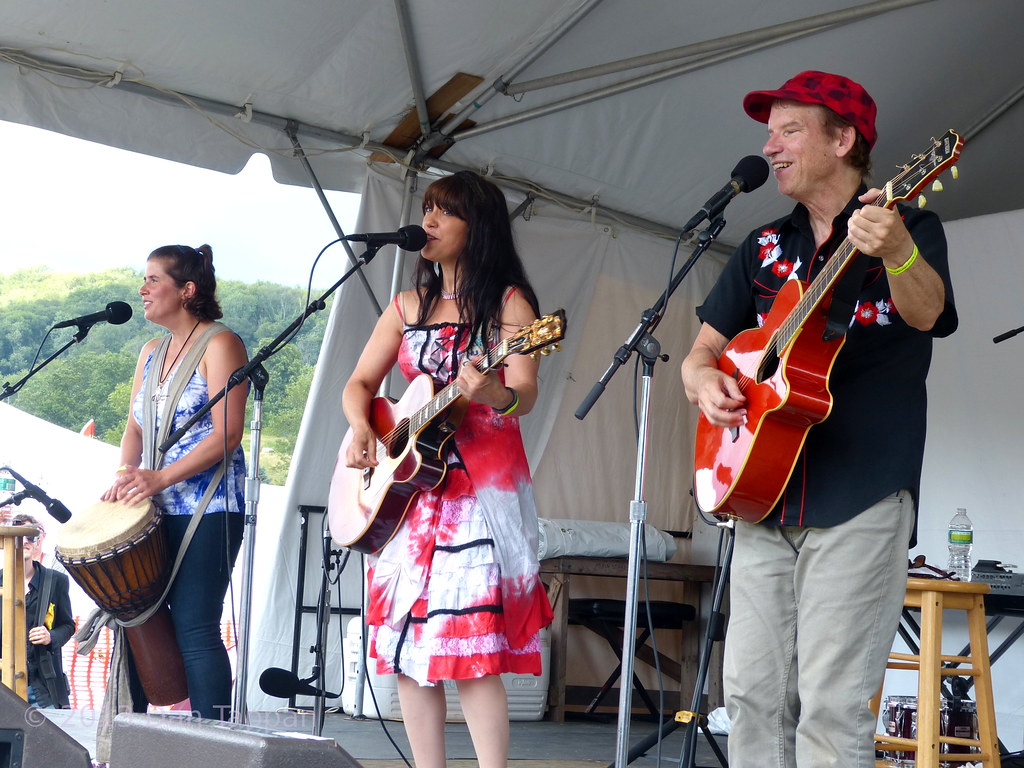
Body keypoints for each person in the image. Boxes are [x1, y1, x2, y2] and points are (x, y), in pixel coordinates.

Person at [680, 71, 957, 768]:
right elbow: (701, 353)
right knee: (750, 695)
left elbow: (929, 314)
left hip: (861, 490)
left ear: (843, 139)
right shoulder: (763, 246)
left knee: (832, 704)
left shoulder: (912, 225)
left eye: (788, 130)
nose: (770, 146)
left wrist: (895, 250)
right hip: (761, 494)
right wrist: (706, 382)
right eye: (769, 132)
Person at [342, 170, 553, 768]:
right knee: (411, 644)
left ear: (476, 226)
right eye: (427, 209)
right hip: (408, 496)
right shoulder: (407, 306)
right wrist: (363, 427)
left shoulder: (512, 304)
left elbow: (526, 395)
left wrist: (490, 393)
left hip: (477, 495)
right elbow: (359, 383)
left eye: (444, 212)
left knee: (470, 644)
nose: (427, 222)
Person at [101, 244, 248, 721]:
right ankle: (134, 738)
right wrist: (125, 477)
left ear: (187, 290)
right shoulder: (150, 352)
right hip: (154, 507)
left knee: (194, 626)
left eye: (153, 280)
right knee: (140, 622)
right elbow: (134, 430)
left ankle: (216, 744)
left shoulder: (221, 344)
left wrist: (158, 476)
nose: (142, 290)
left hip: (210, 507)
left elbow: (227, 434)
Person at [0, 513, 75, 708]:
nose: (25, 541)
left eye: (30, 535)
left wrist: (50, 636)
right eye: (18, 534)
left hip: (42, 687)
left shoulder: (56, 581)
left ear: (38, 540)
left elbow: (67, 626)